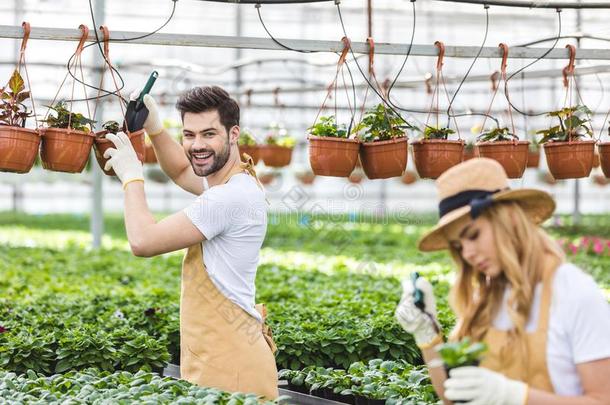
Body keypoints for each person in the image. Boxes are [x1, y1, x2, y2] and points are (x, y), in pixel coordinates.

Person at [103, 86, 278, 400]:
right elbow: (183, 170)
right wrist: (155, 128)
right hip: (230, 355)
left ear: (233, 133)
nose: (197, 145)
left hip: (231, 368)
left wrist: (132, 177)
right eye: (189, 134)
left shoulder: (228, 198)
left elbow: (143, 241)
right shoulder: (237, 181)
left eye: (209, 134)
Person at [395, 158, 610, 405]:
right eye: (458, 245)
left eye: (473, 235)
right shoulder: (487, 296)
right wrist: (427, 335)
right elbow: (453, 397)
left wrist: (518, 397)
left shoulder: (575, 294)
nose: (467, 253)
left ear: (511, 219)